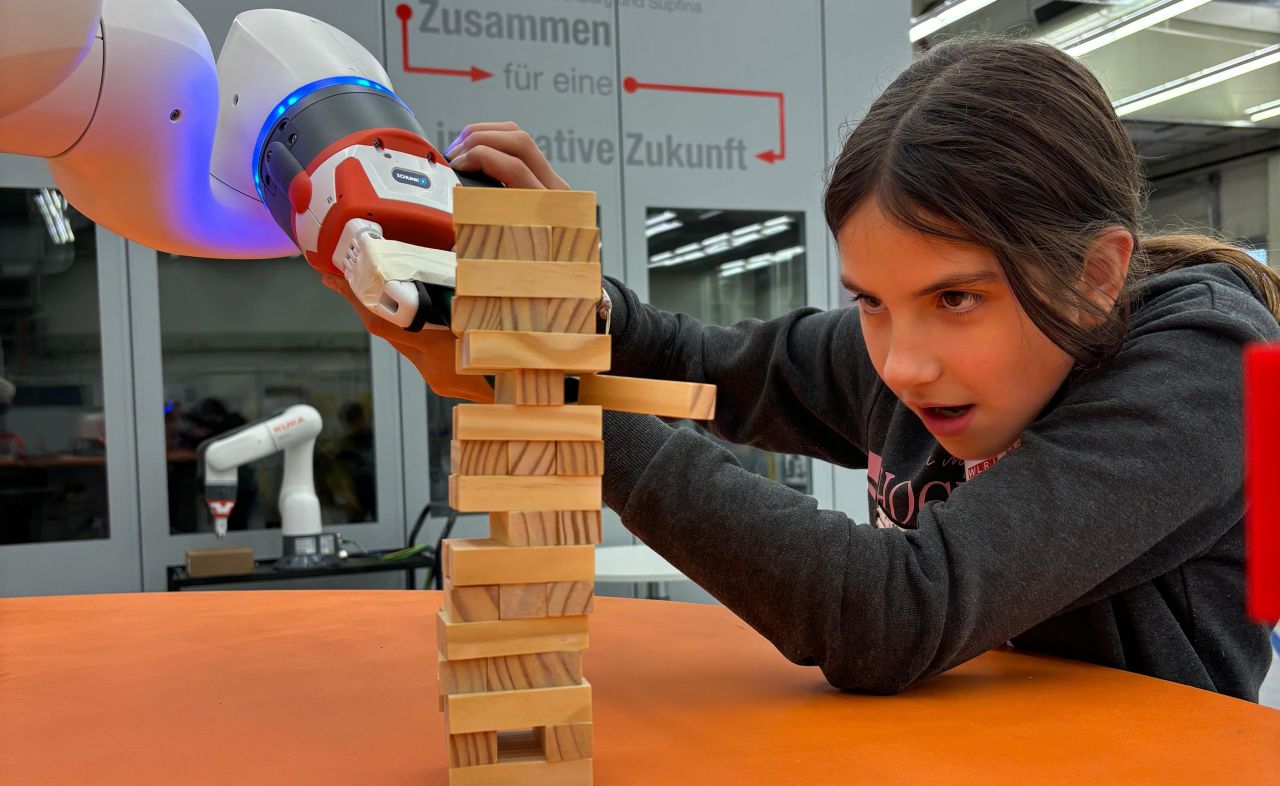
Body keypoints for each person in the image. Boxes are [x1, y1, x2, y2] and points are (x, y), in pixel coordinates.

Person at [344, 38, 1280, 701]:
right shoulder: (906, 357)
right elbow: (703, 368)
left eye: (957, 298)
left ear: (1094, 274)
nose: (903, 366)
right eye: (871, 300)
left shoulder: (1208, 374)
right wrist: (574, 304)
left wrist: (560, 400)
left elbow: (892, 614)